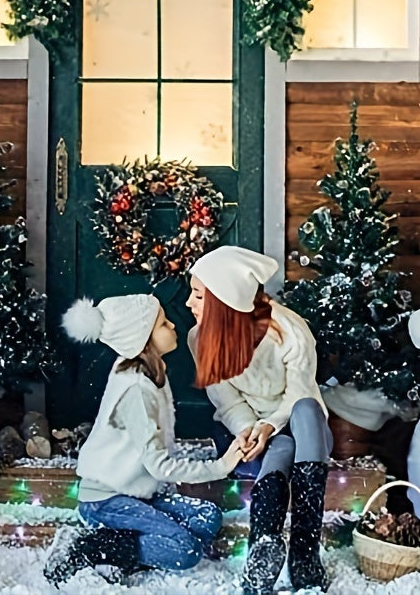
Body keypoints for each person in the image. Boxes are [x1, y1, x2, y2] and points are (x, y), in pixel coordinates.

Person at [43, 293, 242, 587]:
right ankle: (88, 549)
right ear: (142, 339)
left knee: (207, 517)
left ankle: (120, 548)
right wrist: (221, 466)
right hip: (106, 500)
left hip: (135, 493)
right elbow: (159, 465)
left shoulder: (149, 372)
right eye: (163, 324)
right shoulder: (136, 388)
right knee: (184, 550)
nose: (173, 326)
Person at [186, 246, 333, 595]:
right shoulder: (200, 339)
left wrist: (270, 425)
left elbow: (300, 392)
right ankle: (264, 544)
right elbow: (226, 400)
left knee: (306, 412)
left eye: (198, 296)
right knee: (280, 449)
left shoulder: (289, 331)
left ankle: (304, 550)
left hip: (301, 422)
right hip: (260, 429)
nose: (189, 304)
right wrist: (249, 431)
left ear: (225, 303)